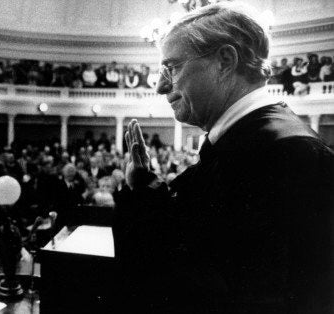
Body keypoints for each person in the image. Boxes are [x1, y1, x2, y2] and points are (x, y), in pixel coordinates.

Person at [113, 3, 334, 313]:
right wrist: (145, 186)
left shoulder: (287, 153)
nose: (161, 86)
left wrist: (143, 205)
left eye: (172, 68)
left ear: (225, 61)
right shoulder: (250, 141)